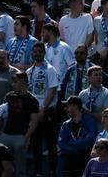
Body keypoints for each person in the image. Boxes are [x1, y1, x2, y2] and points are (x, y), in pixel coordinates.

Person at [27, 41, 61, 176]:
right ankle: (38, 171)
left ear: (44, 52)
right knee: (36, 143)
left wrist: (43, 108)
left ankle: (53, 170)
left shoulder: (50, 69)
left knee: (51, 143)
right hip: (35, 112)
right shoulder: (29, 71)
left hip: (48, 111)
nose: (37, 53)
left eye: (40, 51)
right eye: (35, 51)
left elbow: (53, 90)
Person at [0, 72, 40, 177]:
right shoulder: (9, 96)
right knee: (3, 166)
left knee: (20, 168)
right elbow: (0, 116)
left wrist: (25, 138)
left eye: (15, 82)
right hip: (5, 135)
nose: (13, 84)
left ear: (23, 82)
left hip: (20, 136)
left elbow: (34, 122)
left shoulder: (32, 100)